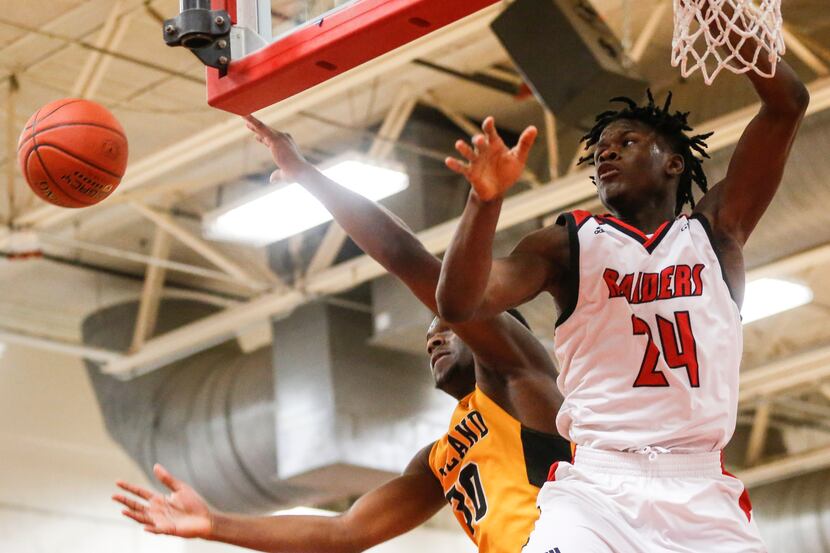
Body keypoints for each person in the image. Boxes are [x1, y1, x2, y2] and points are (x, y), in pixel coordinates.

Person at [436, 9, 809, 553]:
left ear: (674, 164)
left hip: (700, 490)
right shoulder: (566, 245)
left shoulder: (716, 234)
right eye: (600, 151)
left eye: (626, 141)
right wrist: (483, 202)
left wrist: (738, 35)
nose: (606, 152)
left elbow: (788, 105)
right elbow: (460, 302)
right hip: (599, 491)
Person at [113, 117, 570, 553]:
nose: (433, 338)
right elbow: (345, 532)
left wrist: (309, 177)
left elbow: (404, 257)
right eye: (431, 331)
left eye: (446, 327)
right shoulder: (442, 456)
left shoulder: (518, 373)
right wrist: (217, 524)